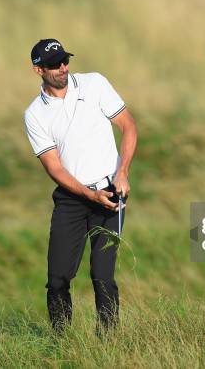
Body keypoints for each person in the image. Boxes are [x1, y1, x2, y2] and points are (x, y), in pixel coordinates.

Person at [23, 38, 138, 334]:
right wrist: (89, 195)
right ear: (39, 70)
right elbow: (55, 168)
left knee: (102, 276)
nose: (62, 68)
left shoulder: (95, 84)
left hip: (111, 193)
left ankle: (107, 344)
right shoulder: (35, 114)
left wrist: (122, 174)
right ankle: (62, 343)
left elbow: (128, 125)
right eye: (54, 64)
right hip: (71, 200)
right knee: (58, 278)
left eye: (65, 61)